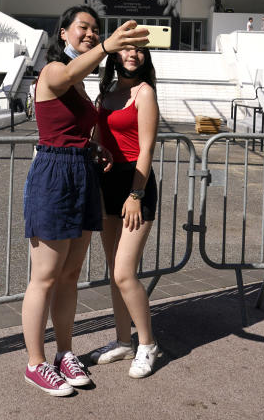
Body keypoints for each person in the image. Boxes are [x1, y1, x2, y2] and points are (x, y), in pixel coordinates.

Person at [22, 5, 149, 397]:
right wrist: (109, 45)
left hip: (82, 173)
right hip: (53, 176)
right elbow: (68, 77)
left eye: (96, 29)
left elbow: (77, 126)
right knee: (43, 277)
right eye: (83, 28)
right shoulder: (55, 71)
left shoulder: (80, 84)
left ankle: (64, 353)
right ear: (63, 33)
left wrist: (96, 148)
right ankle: (35, 363)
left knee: (71, 275)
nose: (91, 33)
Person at [91, 45, 161, 378]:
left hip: (136, 184)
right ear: (115, 56)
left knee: (123, 272)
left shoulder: (144, 93)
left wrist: (136, 194)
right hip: (108, 183)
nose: (133, 54)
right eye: (126, 49)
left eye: (139, 50)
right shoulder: (107, 91)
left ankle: (146, 343)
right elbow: (100, 135)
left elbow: (146, 148)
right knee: (113, 272)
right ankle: (123, 341)